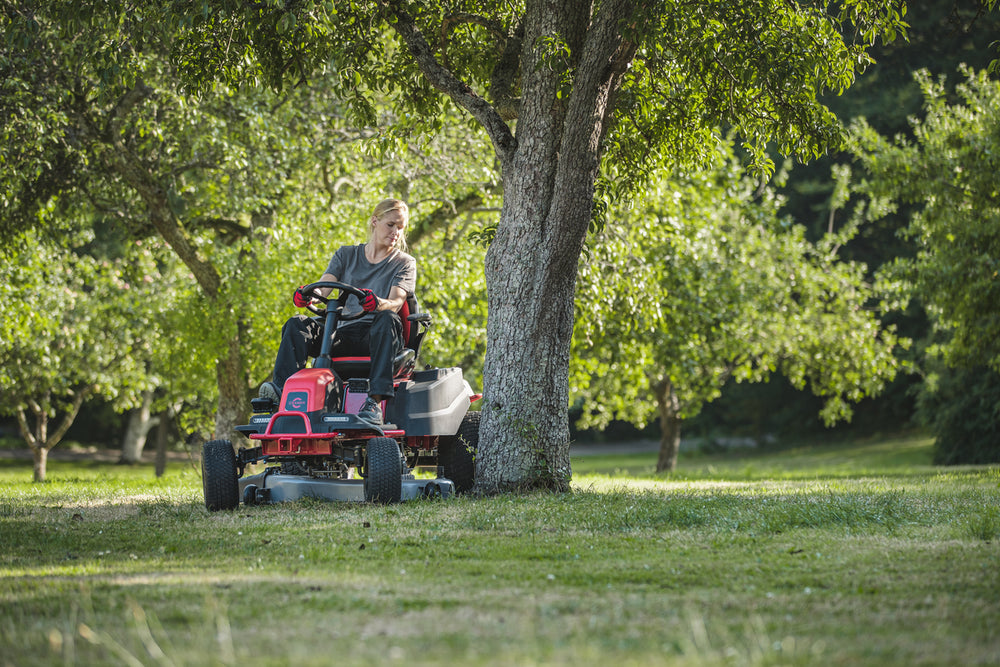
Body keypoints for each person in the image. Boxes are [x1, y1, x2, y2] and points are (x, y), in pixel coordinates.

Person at [259, 199, 417, 428]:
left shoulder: (404, 263)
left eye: (400, 228)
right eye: (391, 225)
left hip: (377, 335)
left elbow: (396, 302)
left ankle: (373, 403)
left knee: (387, 318)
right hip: (343, 333)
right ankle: (283, 395)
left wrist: (377, 303)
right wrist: (309, 297)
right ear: (375, 221)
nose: (396, 233)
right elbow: (323, 288)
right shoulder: (346, 255)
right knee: (297, 324)